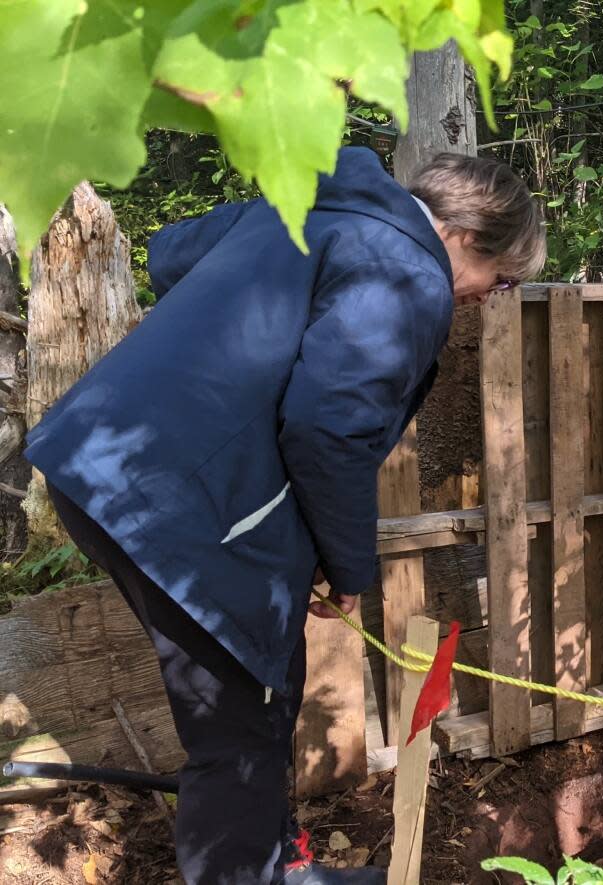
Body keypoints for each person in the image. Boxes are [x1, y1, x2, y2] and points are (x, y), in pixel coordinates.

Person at [24, 147, 546, 884]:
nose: (490, 297)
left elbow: (171, 255)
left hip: (103, 464)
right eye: (504, 280)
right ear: (467, 235)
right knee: (238, 725)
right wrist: (347, 568)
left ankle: (279, 862)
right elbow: (328, 425)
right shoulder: (408, 270)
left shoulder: (311, 207)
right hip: (179, 500)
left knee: (264, 682)